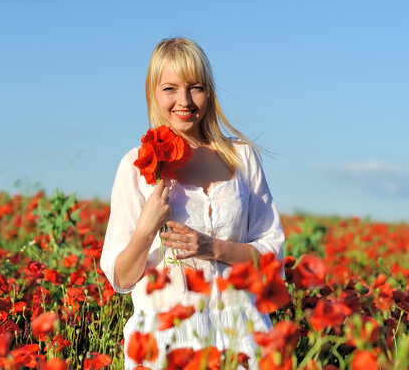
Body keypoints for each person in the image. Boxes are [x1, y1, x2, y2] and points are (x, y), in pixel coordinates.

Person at [100, 38, 285, 369]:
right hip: (167, 341)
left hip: (240, 334)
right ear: (153, 92)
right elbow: (122, 279)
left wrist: (211, 247)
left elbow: (272, 260)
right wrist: (145, 230)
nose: (183, 101)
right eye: (170, 88)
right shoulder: (136, 166)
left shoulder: (242, 158)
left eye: (195, 88)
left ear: (209, 92)